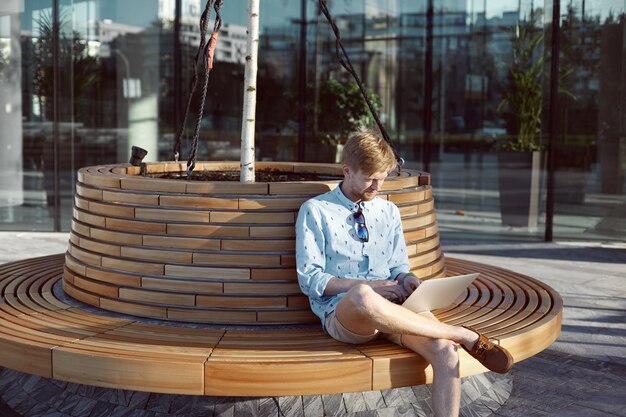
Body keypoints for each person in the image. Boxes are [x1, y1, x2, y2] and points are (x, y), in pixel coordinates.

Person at [295, 130, 513, 417]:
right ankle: (463, 334)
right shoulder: (316, 211)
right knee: (362, 295)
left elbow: (398, 267)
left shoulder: (388, 211)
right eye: (370, 177)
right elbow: (310, 279)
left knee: (446, 353)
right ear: (347, 171)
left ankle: (454, 341)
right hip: (346, 314)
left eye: (383, 177)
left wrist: (408, 280)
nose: (377, 185)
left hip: (396, 308)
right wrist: (372, 287)